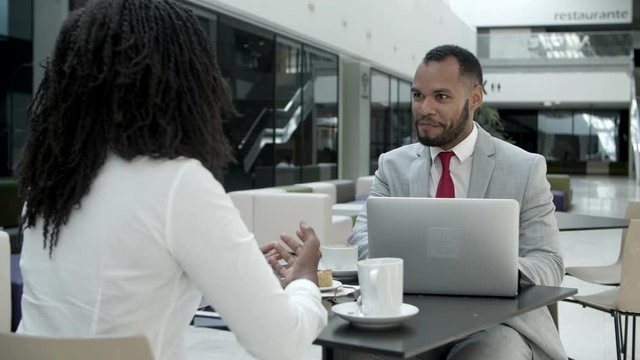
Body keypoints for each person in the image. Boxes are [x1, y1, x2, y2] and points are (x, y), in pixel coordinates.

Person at [15, 1, 326, 360]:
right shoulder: (178, 183)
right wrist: (305, 280)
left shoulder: (51, 182)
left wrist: (214, 271)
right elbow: (281, 344)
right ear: (185, 80)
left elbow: (111, 292)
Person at [348, 45, 566, 359]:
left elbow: (549, 262)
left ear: (475, 98)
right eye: (418, 96)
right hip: (407, 314)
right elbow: (360, 239)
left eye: (441, 97)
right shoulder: (391, 165)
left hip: (496, 324)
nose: (424, 108)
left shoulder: (524, 168)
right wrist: (422, 268)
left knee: (491, 354)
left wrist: (494, 273)